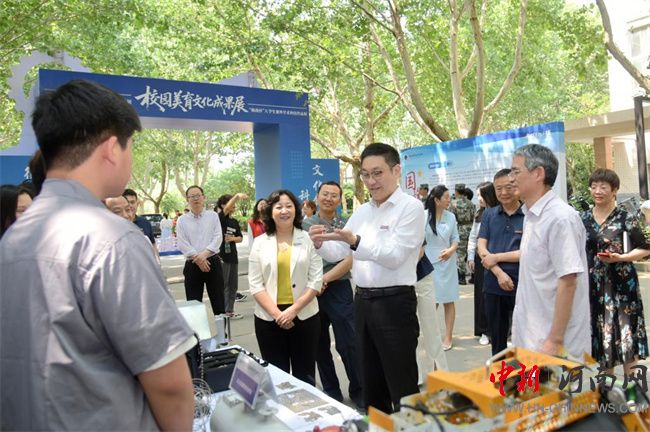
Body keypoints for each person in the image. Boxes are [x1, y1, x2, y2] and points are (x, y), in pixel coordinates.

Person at [0, 79, 194, 430]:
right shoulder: (113, 240)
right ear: (111, 149)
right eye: (131, 145)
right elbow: (169, 385)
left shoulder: (12, 239)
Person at [309, 142, 424, 413]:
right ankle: (378, 424)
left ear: (396, 170)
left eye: (377, 173)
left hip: (395, 303)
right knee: (370, 377)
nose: (371, 181)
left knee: (401, 379)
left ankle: (410, 426)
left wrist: (356, 241)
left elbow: (395, 255)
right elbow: (341, 250)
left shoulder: (411, 208)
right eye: (365, 174)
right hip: (362, 301)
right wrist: (320, 244)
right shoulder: (362, 211)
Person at [510, 143, 590, 357]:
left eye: (516, 171)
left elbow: (568, 280)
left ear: (538, 173)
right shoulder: (532, 215)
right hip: (532, 335)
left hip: (554, 345)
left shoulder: (560, 218)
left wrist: (555, 340)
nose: (511, 178)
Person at [248, 190, 322, 385]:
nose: (284, 211)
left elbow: (315, 280)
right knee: (276, 378)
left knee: (305, 376)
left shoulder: (307, 239)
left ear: (296, 210)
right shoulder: (260, 242)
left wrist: (293, 311)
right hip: (268, 317)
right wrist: (278, 315)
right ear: (270, 211)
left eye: (289, 206)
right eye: (278, 206)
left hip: (304, 315)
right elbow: (255, 284)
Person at [580, 168, 649, 375]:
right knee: (602, 335)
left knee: (627, 334)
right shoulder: (582, 218)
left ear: (615, 190)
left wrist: (621, 258)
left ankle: (632, 388)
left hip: (622, 285)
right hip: (594, 286)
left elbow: (645, 248)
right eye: (593, 187)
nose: (597, 191)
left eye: (603, 187)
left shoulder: (625, 217)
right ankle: (606, 388)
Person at [303, 181, 362, 407]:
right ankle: (331, 392)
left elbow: (351, 258)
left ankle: (359, 390)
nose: (329, 198)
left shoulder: (347, 224)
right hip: (312, 291)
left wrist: (325, 279)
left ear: (339, 199)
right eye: (325, 194)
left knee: (349, 343)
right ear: (317, 197)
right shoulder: (305, 225)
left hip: (338, 287)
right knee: (318, 345)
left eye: (334, 195)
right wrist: (315, 283)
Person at [478, 170, 524, 355]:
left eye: (509, 187)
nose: (504, 192)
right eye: (499, 188)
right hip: (493, 284)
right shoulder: (489, 214)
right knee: (497, 340)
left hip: (523, 284)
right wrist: (499, 273)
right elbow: (482, 247)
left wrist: (496, 258)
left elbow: (527, 252)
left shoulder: (529, 214)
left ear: (518, 186)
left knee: (525, 338)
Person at [176, 185, 226, 316]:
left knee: (219, 303)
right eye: (192, 196)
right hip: (192, 265)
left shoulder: (213, 216)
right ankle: (197, 330)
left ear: (204, 197)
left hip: (213, 263)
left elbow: (218, 237)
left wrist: (203, 255)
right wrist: (198, 259)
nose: (195, 199)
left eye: (198, 195)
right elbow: (182, 242)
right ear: (187, 199)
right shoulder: (182, 220)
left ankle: (222, 329)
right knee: (193, 305)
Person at [425, 185, 460, 351]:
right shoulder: (424, 216)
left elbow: (455, 239)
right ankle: (431, 336)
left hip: (447, 262)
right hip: (427, 263)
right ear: (436, 200)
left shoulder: (451, 217)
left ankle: (448, 336)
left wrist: (451, 250)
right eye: (446, 197)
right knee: (431, 302)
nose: (449, 200)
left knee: (448, 299)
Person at [467, 181, 498, 346]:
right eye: (477, 195)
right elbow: (473, 237)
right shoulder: (479, 214)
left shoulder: (499, 212)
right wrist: (471, 257)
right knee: (482, 295)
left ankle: (501, 330)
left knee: (498, 295)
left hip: (498, 258)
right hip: (481, 259)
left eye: (481, 195)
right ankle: (484, 330)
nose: (479, 198)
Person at [216, 193, 247, 320]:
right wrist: (237, 196)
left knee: (233, 285)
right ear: (223, 205)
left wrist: (232, 238)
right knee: (224, 285)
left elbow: (240, 238)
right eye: (231, 203)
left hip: (233, 256)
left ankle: (230, 311)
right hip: (222, 256)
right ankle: (222, 311)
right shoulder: (220, 218)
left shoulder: (234, 221)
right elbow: (227, 208)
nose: (234, 205)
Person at [450, 183, 476, 285]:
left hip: (460, 229)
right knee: (471, 251)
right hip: (471, 229)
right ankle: (474, 276)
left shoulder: (453, 204)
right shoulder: (471, 203)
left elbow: (451, 219)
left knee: (460, 254)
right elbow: (474, 216)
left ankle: (461, 278)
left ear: (456, 191)